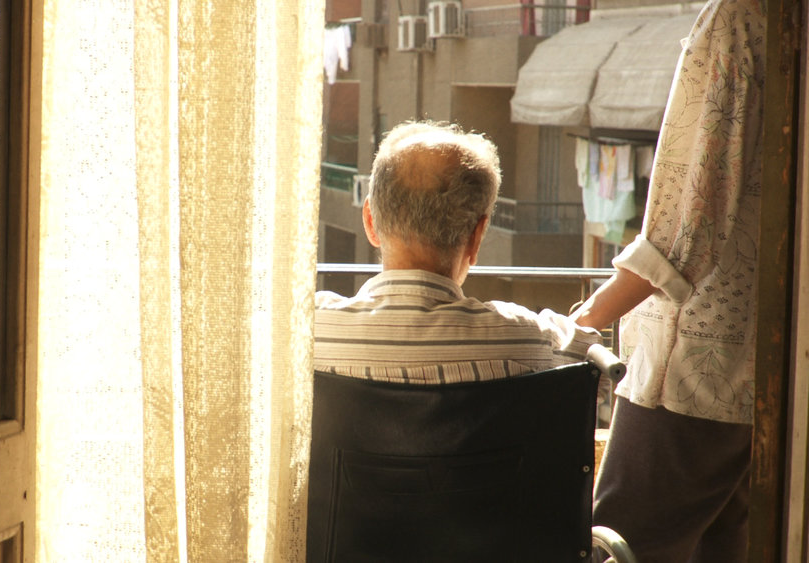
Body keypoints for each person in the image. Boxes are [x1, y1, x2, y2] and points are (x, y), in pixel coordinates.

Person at [570, 0, 765, 560]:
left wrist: (583, 322)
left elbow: (689, 223)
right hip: (766, 371)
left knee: (620, 547)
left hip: (695, 368)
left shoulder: (738, 17)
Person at [314, 121, 600, 382]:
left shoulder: (309, 327)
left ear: (369, 221)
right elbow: (591, 359)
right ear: (477, 236)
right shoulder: (524, 338)